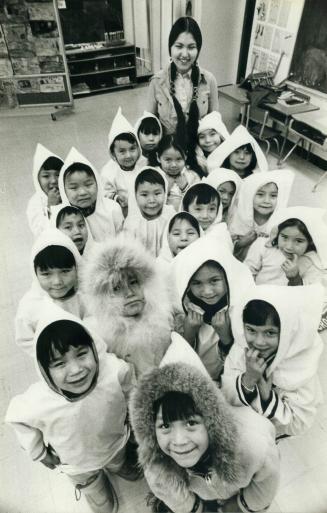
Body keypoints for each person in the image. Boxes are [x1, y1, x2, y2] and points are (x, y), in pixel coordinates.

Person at [129, 332, 280, 513]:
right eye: (165, 426)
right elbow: (174, 497)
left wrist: (243, 505)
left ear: (211, 419)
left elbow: (266, 481)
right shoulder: (157, 467)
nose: (179, 441)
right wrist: (198, 509)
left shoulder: (253, 443)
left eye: (191, 423)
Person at [6, 308, 136, 513]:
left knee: (118, 460)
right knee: (88, 481)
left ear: (94, 348)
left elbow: (130, 390)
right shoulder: (38, 401)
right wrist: (39, 452)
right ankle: (96, 491)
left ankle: (119, 467)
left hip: (115, 442)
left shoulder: (114, 371)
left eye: (82, 354)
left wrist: (132, 415)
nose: (76, 370)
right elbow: (16, 418)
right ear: (44, 370)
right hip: (77, 461)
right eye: (59, 363)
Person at [222, 284, 324, 437]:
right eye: (251, 330)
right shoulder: (241, 349)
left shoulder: (300, 363)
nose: (259, 342)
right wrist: (248, 379)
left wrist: (267, 396)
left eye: (270, 333)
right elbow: (226, 394)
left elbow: (298, 425)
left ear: (288, 331)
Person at [81, 235, 173, 378]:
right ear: (104, 299)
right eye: (117, 289)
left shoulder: (165, 321)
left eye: (133, 282)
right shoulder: (101, 337)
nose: (129, 293)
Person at [172, 236, 253, 379]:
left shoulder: (240, 308)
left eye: (214, 280)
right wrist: (189, 332)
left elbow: (242, 366)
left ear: (228, 276)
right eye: (197, 283)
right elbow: (177, 364)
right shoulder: (182, 308)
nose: (207, 291)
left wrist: (225, 336)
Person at [147, 16, 219, 170]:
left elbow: (216, 124)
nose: (185, 54)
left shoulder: (209, 80)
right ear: (170, 47)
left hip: (199, 157)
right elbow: (148, 127)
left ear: (198, 49)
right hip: (168, 159)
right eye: (179, 46)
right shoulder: (156, 82)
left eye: (191, 47)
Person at [15, 228, 90, 357]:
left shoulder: (86, 296)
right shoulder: (30, 306)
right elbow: (24, 339)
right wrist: (51, 355)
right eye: (46, 274)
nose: (57, 282)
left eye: (65, 271)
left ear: (77, 267)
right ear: (35, 274)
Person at [59, 147, 123, 241]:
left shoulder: (112, 209)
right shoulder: (60, 218)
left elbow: (123, 242)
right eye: (74, 187)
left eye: (88, 185)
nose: (82, 192)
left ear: (97, 183)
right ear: (63, 190)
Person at [229, 169, 294, 261]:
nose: (266, 201)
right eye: (260, 194)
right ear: (250, 195)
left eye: (273, 196)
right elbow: (227, 246)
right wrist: (240, 243)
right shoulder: (239, 216)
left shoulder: (280, 223)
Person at [123, 167, 176, 257]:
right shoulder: (132, 223)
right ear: (135, 196)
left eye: (157, 193)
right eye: (144, 195)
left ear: (165, 192)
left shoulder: (170, 215)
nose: (151, 200)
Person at [101, 107, 142, 216]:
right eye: (122, 151)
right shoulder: (109, 172)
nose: (128, 155)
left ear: (138, 148)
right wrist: (116, 198)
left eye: (132, 149)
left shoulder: (143, 165)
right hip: (123, 213)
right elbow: (104, 194)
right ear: (113, 153)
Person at [26, 143, 63, 237]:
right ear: (37, 179)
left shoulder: (68, 194)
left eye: (58, 175)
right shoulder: (35, 202)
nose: (54, 180)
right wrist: (51, 207)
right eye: (46, 176)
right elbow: (40, 233)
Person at [157, 135, 200, 210]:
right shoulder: (154, 175)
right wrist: (166, 189)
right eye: (168, 160)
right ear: (158, 157)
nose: (173, 165)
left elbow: (199, 202)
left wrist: (185, 187)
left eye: (179, 159)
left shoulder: (192, 176)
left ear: (185, 156)